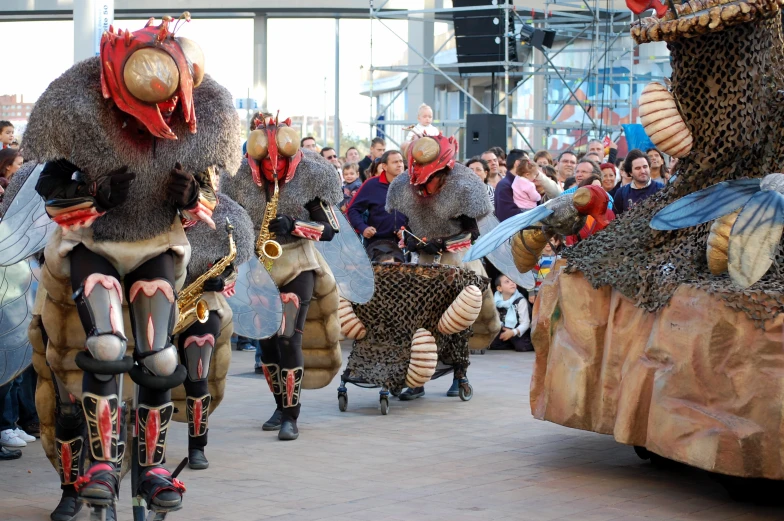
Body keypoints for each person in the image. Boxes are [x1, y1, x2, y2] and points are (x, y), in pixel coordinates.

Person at [26, 18, 238, 519]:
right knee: (105, 345)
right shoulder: (74, 107)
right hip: (91, 243)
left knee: (161, 359)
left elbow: (211, 195)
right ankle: (101, 465)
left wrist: (192, 198)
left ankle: (154, 465)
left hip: (158, 244)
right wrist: (94, 196)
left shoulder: (201, 119)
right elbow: (47, 187)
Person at [222, 116, 343, 442]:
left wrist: (295, 226)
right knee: (268, 344)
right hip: (255, 268)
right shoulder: (236, 177)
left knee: (288, 336)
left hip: (297, 264)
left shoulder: (312, 174)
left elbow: (332, 230)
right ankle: (280, 405)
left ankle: (292, 414)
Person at [388, 134, 501, 400]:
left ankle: (460, 374)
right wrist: (412, 242)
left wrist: (440, 243)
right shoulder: (403, 186)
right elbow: (403, 228)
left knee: (458, 322)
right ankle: (417, 380)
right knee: (421, 322)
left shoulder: (464, 185)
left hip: (459, 261)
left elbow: (472, 233)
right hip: (424, 264)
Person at [346, 150, 407, 262]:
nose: (399, 165)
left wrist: (408, 231)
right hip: (377, 243)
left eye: (401, 161)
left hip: (406, 244)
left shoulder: (411, 185)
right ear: (384, 166)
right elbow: (352, 209)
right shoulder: (371, 184)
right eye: (395, 162)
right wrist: (363, 228)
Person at [614, 149, 665, 215]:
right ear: (630, 172)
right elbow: (616, 221)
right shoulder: (621, 193)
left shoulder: (661, 189)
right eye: (638, 168)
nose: (643, 171)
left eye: (645, 167)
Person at [490, 275, 532, 352]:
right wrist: (502, 327)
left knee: (521, 347)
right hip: (504, 327)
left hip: (518, 329)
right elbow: (495, 317)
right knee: (493, 344)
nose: (512, 283)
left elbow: (526, 323)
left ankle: (518, 342)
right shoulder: (495, 300)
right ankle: (511, 342)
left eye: (513, 281)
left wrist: (513, 332)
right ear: (499, 288)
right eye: (507, 282)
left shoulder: (520, 300)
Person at [493, 149, 529, 221]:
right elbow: (507, 214)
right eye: (528, 162)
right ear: (518, 163)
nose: (530, 166)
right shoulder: (504, 186)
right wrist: (532, 212)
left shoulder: (525, 183)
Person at [530, 237, 561, 304]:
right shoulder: (538, 259)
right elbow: (532, 276)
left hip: (555, 292)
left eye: (550, 240)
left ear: (556, 242)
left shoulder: (559, 258)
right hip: (539, 292)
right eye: (544, 240)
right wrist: (531, 292)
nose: (547, 243)